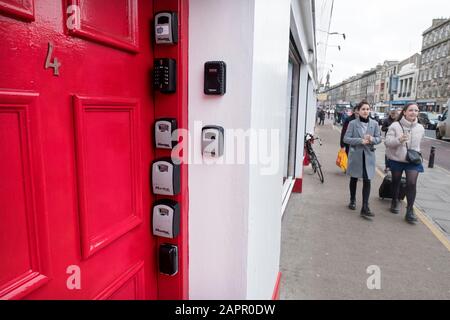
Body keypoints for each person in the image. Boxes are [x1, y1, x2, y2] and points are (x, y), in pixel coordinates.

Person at [385, 102, 425, 223]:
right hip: (397, 159)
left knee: (411, 183)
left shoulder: (420, 127)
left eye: (416, 111)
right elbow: (387, 142)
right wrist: (399, 140)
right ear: (404, 112)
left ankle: (409, 210)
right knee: (396, 182)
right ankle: (394, 201)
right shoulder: (395, 126)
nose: (414, 113)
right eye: (411, 110)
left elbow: (418, 145)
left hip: (413, 160)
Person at [343, 100, 382, 218]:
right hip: (356, 155)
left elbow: (379, 139)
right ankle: (352, 200)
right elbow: (346, 139)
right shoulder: (353, 123)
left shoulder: (374, 124)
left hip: (369, 156)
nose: (365, 111)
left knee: (367, 180)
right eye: (363, 109)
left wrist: (371, 139)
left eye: (367, 109)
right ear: (358, 111)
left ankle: (365, 206)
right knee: (354, 178)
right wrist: (360, 141)